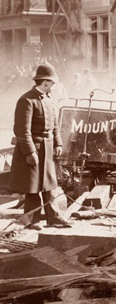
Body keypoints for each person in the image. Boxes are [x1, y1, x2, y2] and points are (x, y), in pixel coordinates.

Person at [10, 64, 71, 230]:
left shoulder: (50, 100)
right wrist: (30, 151)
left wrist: (58, 143)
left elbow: (55, 125)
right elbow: (21, 130)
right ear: (45, 82)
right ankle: (31, 220)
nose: (54, 86)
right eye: (52, 83)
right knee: (33, 186)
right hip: (34, 149)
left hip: (48, 148)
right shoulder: (26, 100)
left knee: (50, 185)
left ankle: (54, 217)